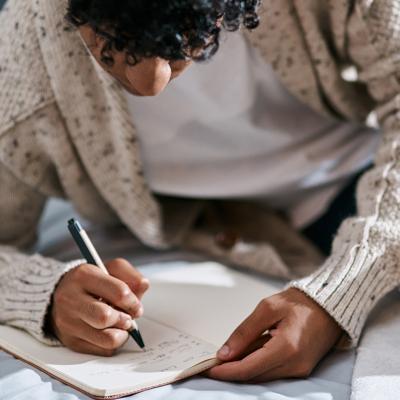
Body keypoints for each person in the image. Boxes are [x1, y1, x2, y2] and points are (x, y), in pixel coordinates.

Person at [0, 0, 399, 383]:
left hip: (365, 183)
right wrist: (45, 294)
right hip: (208, 231)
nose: (149, 83)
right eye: (109, 48)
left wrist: (344, 289)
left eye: (183, 43)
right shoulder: (24, 61)